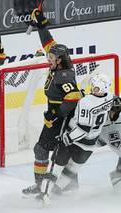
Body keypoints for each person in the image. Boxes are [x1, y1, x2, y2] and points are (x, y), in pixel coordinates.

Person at [22, 8, 83, 196]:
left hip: (60, 118)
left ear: (59, 60)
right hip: (57, 115)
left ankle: (41, 187)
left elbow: (74, 97)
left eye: (51, 57)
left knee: (41, 149)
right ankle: (69, 183)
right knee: (61, 151)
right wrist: (41, 25)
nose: (48, 58)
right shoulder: (62, 62)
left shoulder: (63, 76)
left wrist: (55, 114)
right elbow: (49, 43)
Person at [37, 74, 114, 201]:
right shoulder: (111, 98)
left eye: (95, 87)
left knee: (56, 168)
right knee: (71, 169)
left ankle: (45, 193)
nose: (93, 88)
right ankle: (56, 190)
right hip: (90, 145)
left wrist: (66, 138)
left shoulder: (86, 103)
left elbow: (83, 129)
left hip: (73, 139)